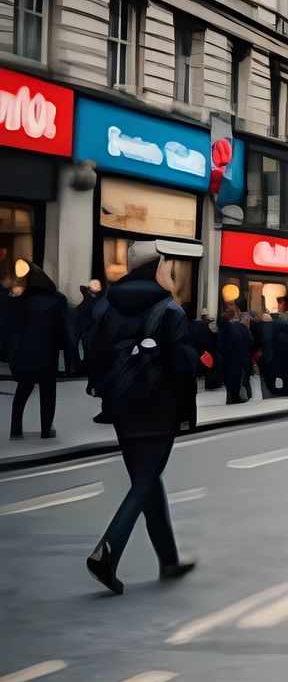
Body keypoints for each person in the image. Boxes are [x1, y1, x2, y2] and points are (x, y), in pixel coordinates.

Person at [83, 238, 202, 595]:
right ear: (158, 267)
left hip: (121, 407)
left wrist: (108, 394)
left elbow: (92, 354)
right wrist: (186, 415)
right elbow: (181, 368)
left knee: (147, 479)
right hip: (158, 406)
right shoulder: (169, 310)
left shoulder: (105, 306)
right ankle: (107, 551)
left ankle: (168, 560)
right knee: (146, 478)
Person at [4, 265, 72, 440]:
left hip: (25, 355)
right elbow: (68, 331)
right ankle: (46, 431)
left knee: (22, 392)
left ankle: (16, 430)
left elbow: (9, 328)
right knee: (48, 394)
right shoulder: (59, 299)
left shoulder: (19, 299)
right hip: (48, 356)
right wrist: (75, 359)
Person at [218, 303, 253, 403]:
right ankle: (236, 397)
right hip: (240, 358)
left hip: (229, 359)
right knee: (238, 379)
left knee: (230, 380)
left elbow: (220, 344)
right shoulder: (241, 327)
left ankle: (231, 398)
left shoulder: (225, 328)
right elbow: (250, 342)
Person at [265, 299, 288, 396]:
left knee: (274, 374)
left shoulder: (272, 327)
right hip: (286, 355)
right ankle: (287, 390)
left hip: (276, 355)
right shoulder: (286, 326)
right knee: (287, 375)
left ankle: (276, 391)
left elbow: (270, 341)